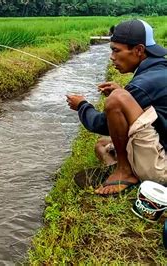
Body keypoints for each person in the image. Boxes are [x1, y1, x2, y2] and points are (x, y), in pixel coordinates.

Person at [66, 19, 167, 195]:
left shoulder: (143, 84)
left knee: (117, 99)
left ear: (139, 50)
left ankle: (125, 172)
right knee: (102, 146)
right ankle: (123, 168)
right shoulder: (159, 72)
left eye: (116, 50)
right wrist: (124, 94)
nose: (112, 57)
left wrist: (82, 105)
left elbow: (101, 124)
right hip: (161, 146)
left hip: (162, 169)